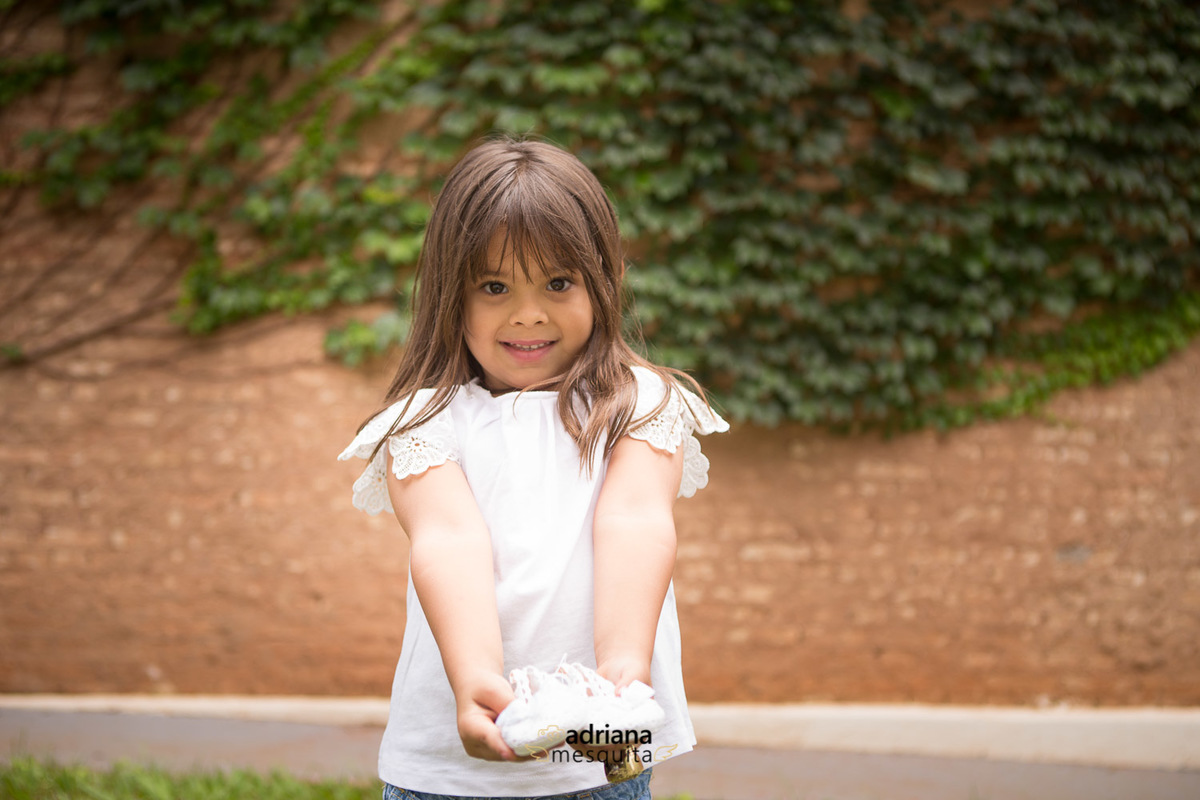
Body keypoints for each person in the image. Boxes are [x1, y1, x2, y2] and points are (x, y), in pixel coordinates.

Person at [339, 137, 728, 799]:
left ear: (602, 281)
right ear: (449, 296)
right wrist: (476, 684)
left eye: (558, 282)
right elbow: (449, 541)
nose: (528, 313)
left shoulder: (638, 403)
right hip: (448, 765)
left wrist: (624, 676)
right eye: (494, 286)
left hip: (605, 750)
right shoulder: (424, 422)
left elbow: (634, 521)